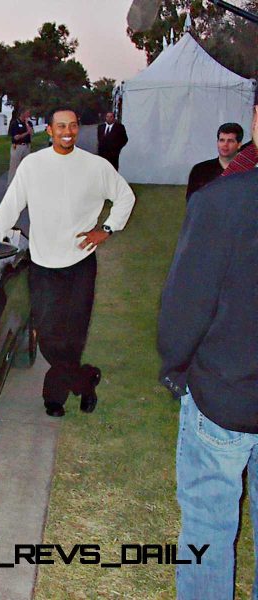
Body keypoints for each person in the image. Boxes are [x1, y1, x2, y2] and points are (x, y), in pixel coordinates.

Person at [157, 122, 258, 598]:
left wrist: (175, 367)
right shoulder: (218, 192)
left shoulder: (221, 201)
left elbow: (187, 303)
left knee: (207, 525)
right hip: (228, 390)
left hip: (224, 393)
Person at [0, 108, 135, 417]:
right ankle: (85, 380)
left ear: (78, 129)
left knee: (74, 334)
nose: (66, 131)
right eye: (60, 126)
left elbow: (125, 196)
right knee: (48, 335)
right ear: (50, 132)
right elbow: (9, 207)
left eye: (72, 125)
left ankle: (54, 397)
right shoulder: (32, 165)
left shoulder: (96, 166)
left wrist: (106, 229)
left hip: (81, 263)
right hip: (43, 264)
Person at [185, 122, 243, 201]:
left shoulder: (248, 171)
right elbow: (192, 202)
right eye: (222, 140)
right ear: (217, 142)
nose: (225, 145)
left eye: (230, 141)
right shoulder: (200, 170)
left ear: (239, 144)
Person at [7, 109, 33, 186]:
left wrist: (27, 124)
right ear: (22, 113)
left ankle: (23, 184)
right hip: (17, 146)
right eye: (27, 113)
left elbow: (31, 133)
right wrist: (26, 133)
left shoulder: (29, 123)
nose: (29, 115)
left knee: (26, 166)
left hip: (27, 146)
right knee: (14, 166)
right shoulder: (15, 123)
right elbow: (16, 137)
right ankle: (11, 184)